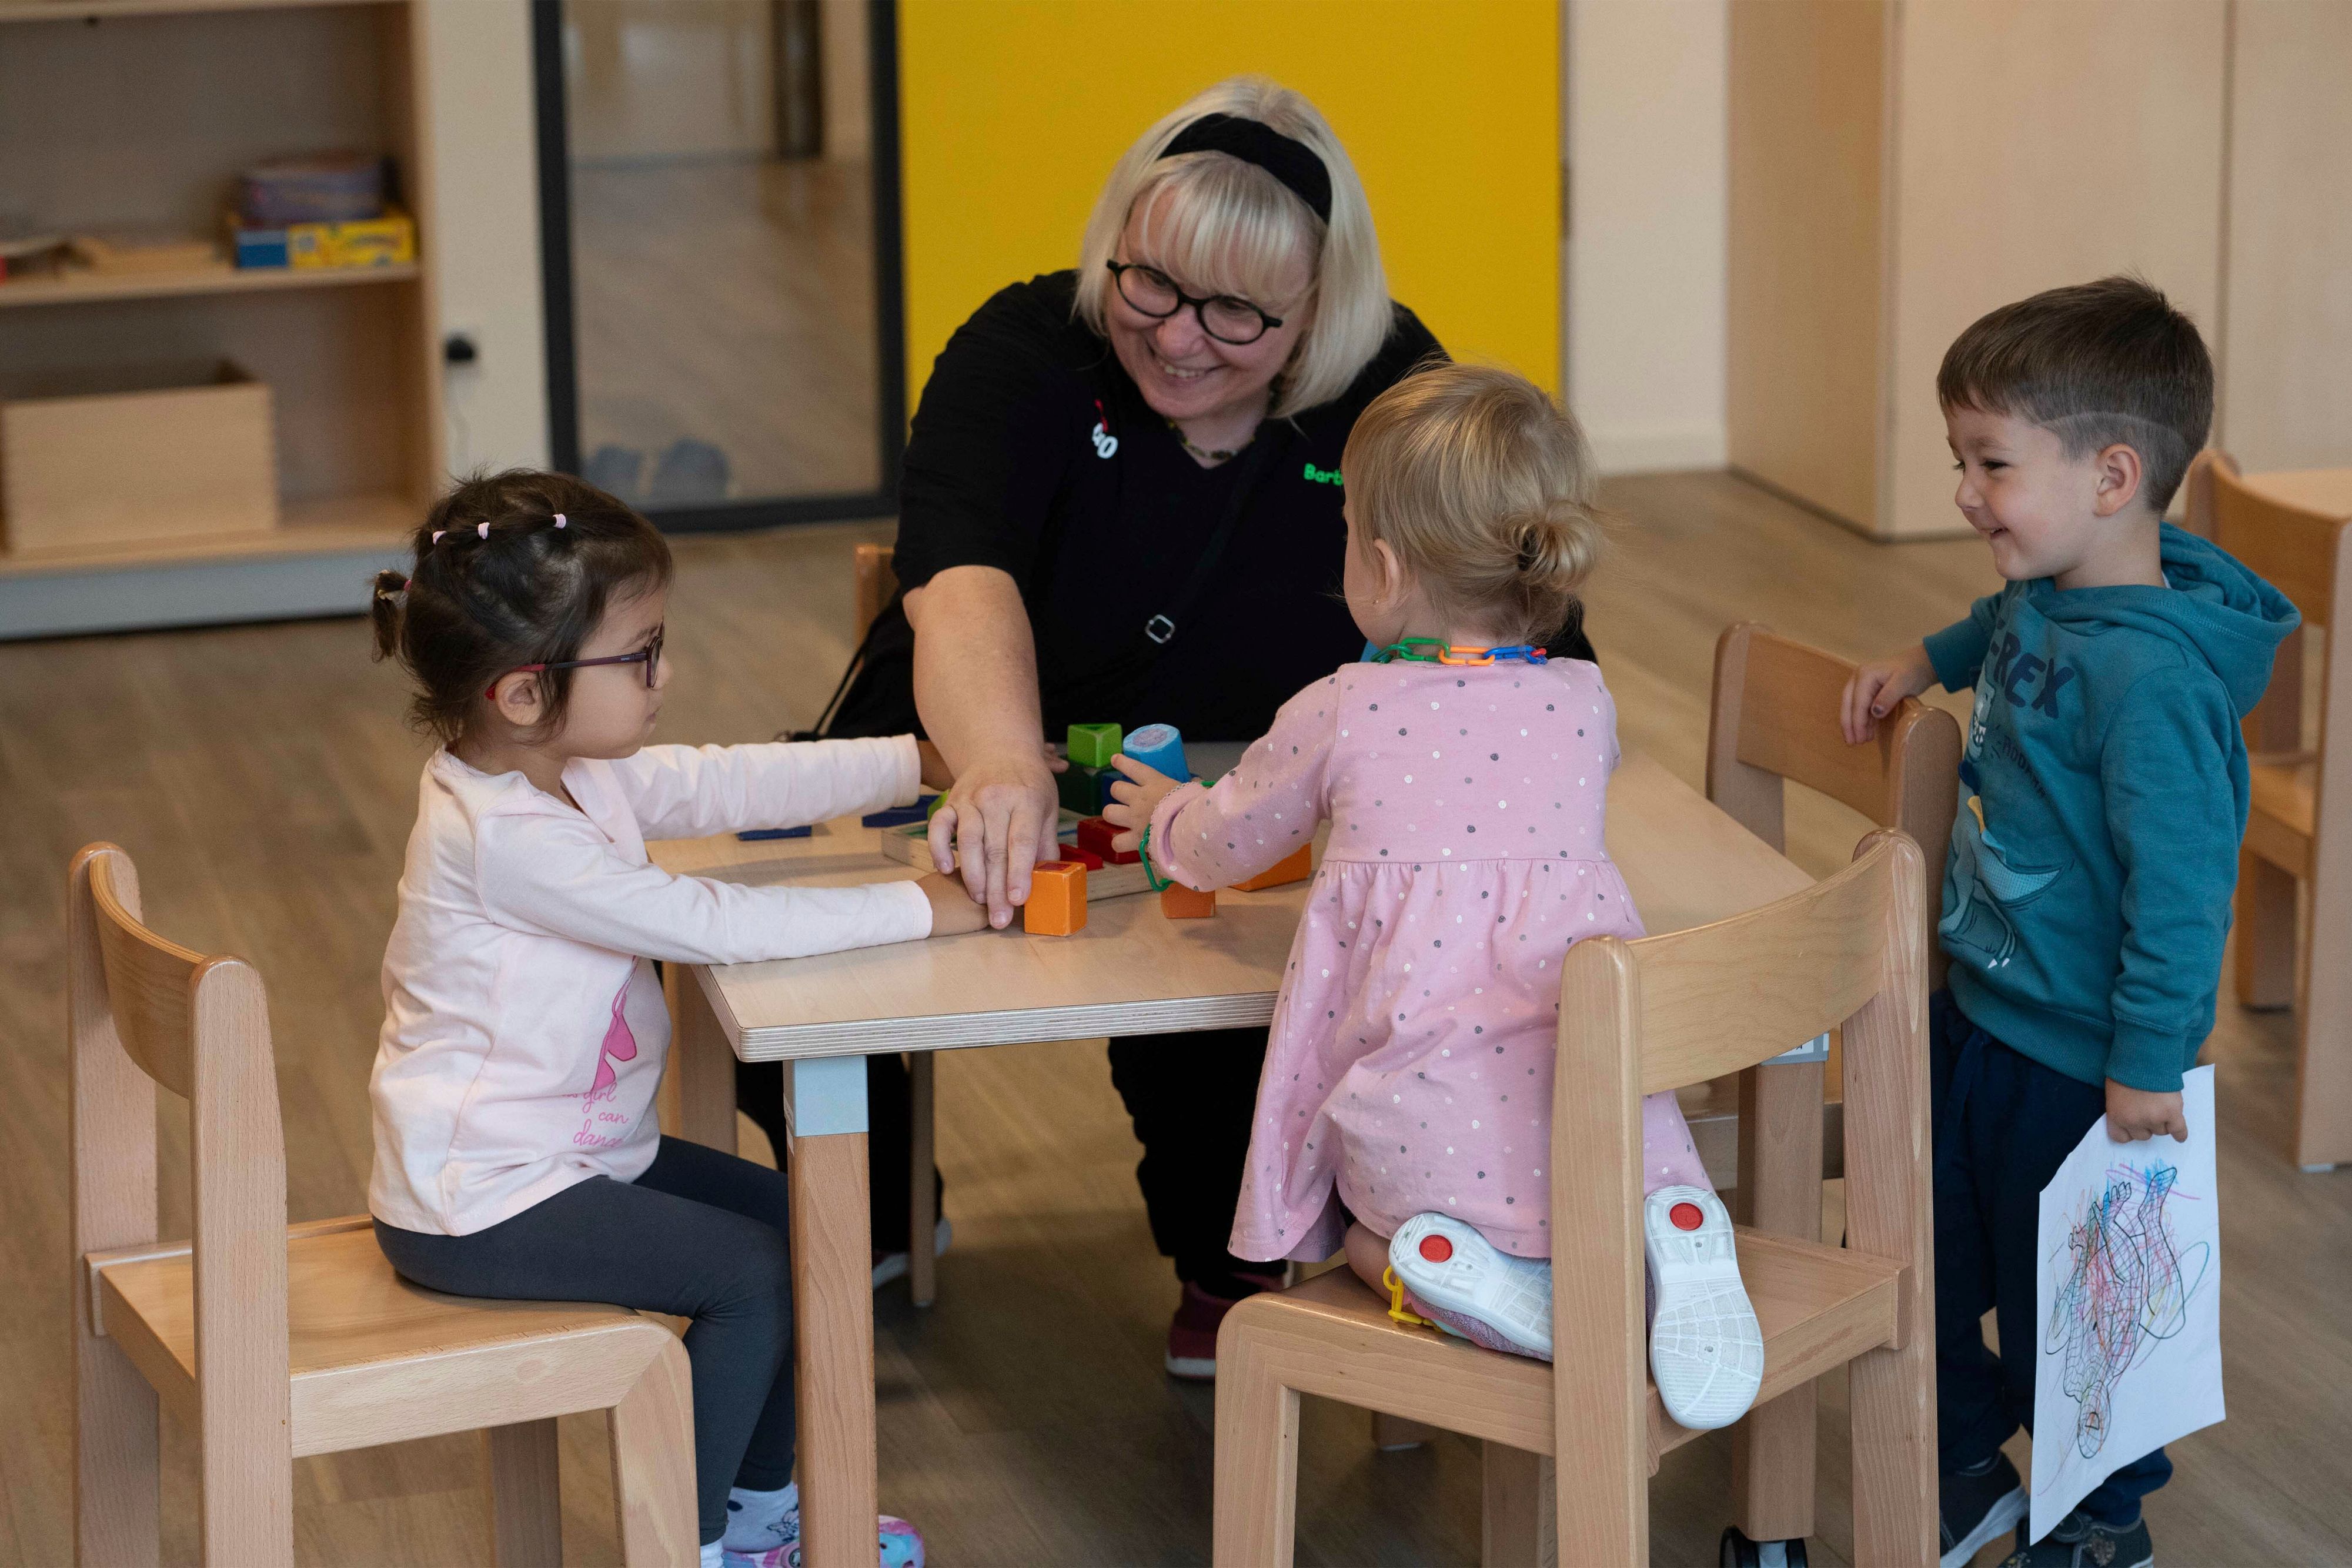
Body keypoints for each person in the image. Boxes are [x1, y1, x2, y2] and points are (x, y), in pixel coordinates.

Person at [751, 74, 1599, 1375]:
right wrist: (990, 753)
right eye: (1149, 284)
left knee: (1268, 978)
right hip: (989, 729)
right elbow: (961, 573)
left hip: (1253, 786)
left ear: (1317, 311)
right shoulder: (1025, 344)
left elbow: (1516, 635)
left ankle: (1232, 1259)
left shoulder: (1387, 385)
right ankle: (854, 1205)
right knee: (786, 932)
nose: (1181, 338)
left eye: (1238, 313)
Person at [1102, 363, 1764, 1432]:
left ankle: (1487, 1298)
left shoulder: (1342, 705)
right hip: (1596, 1085)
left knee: (1368, 1236)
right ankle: (1671, 1222)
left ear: (1382, 562)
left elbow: (1231, 838)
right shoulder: (1582, 699)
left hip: (1424, 1083)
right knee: (1591, 1199)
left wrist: (1167, 818)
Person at [363, 471, 983, 1568]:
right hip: (483, 1199)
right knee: (748, 1276)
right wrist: (917, 908)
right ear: (522, 692)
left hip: (573, 1158)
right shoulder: (505, 834)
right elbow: (703, 918)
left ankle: (754, 1520)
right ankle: (685, 1545)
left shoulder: (564, 771)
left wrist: (908, 760)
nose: (665, 674)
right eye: (641, 653)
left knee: (811, 1231)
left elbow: (718, 784)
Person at [1839, 278, 2296, 1568]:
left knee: (2076, 1321)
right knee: (1916, 1252)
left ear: (2109, 477)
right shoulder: (2047, 594)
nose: (1963, 492)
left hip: (2083, 1065)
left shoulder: (2151, 683)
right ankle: (1974, 1467)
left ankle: (2102, 1522)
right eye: (1959, 459)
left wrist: (2146, 1061)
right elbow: (1999, 626)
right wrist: (1925, 657)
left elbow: (2182, 889)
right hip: (1977, 1009)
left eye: (1989, 463)